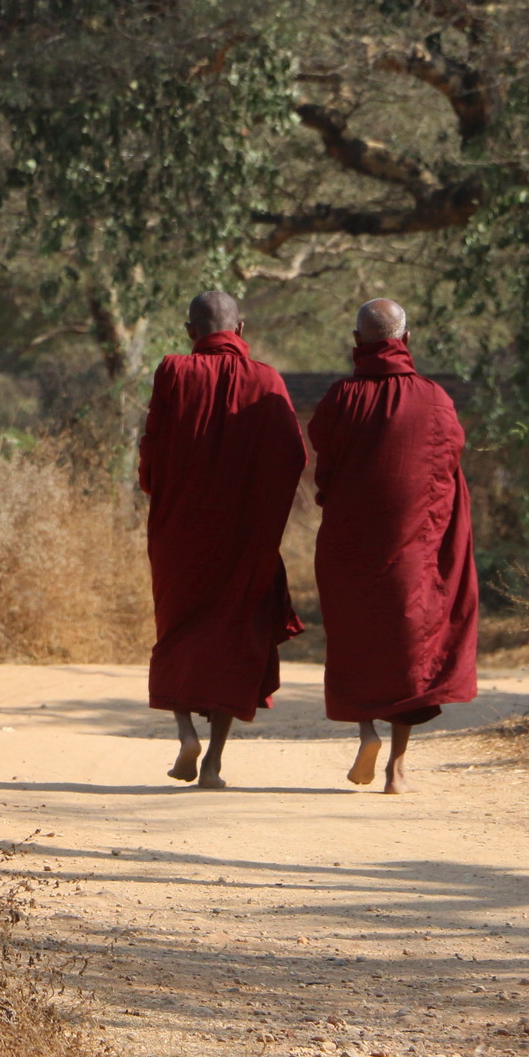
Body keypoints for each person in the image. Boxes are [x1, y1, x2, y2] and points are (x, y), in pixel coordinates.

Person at [308, 298, 478, 794]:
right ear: (405, 340)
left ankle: (366, 731)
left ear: (357, 343)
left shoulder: (340, 398)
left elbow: (326, 467)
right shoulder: (434, 399)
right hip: (415, 547)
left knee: (357, 638)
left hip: (349, 543)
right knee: (409, 645)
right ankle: (397, 770)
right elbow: (448, 466)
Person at [139, 290, 307, 788]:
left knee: (179, 630)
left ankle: (186, 731)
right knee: (234, 636)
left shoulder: (173, 371)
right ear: (241, 328)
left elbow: (153, 448)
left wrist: (162, 490)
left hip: (180, 535)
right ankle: (212, 762)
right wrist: (262, 519)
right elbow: (292, 457)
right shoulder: (268, 381)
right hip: (244, 539)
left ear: (191, 331)